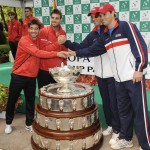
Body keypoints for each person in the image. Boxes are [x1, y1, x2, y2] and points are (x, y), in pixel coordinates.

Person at [67, 4, 150, 150]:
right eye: (100, 15)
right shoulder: (105, 36)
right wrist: (73, 53)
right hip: (118, 80)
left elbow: (140, 46)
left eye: (105, 14)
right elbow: (92, 50)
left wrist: (139, 68)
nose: (102, 18)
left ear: (113, 13)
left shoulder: (125, 26)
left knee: (139, 112)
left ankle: (146, 144)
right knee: (123, 112)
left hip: (132, 77)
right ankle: (126, 138)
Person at [58, 6, 120, 145]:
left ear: (102, 16)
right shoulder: (93, 34)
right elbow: (81, 47)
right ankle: (110, 126)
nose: (93, 19)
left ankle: (118, 130)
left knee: (114, 103)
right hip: (99, 74)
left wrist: (74, 53)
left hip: (112, 74)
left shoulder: (108, 32)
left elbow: (93, 50)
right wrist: (67, 43)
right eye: (92, 17)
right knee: (106, 102)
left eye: (95, 16)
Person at [4, 19, 69, 134]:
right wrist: (57, 53)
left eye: (36, 29)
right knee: (12, 100)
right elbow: (38, 53)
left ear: (39, 30)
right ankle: (8, 123)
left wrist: (60, 43)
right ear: (28, 29)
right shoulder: (24, 40)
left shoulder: (39, 40)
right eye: (31, 28)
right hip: (18, 76)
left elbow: (48, 47)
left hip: (32, 77)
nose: (33, 31)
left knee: (30, 101)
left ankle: (29, 124)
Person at [37, 9, 68, 89]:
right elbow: (43, 50)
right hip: (44, 69)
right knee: (44, 93)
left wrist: (65, 63)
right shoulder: (43, 32)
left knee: (57, 93)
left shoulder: (63, 32)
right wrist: (57, 43)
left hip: (58, 70)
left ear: (61, 19)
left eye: (57, 18)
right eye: (52, 18)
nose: (54, 20)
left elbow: (64, 48)